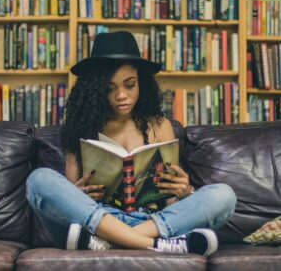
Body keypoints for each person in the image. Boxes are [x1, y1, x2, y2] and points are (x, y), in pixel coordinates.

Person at [26, 31, 237, 255]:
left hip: (150, 221)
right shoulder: (80, 128)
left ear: (141, 84)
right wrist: (76, 193)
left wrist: (185, 191)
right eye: (110, 88)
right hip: (97, 220)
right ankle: (156, 245)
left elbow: (171, 203)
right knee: (38, 180)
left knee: (223, 195)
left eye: (129, 85)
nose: (121, 95)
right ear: (96, 90)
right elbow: (71, 203)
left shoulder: (160, 126)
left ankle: (115, 242)